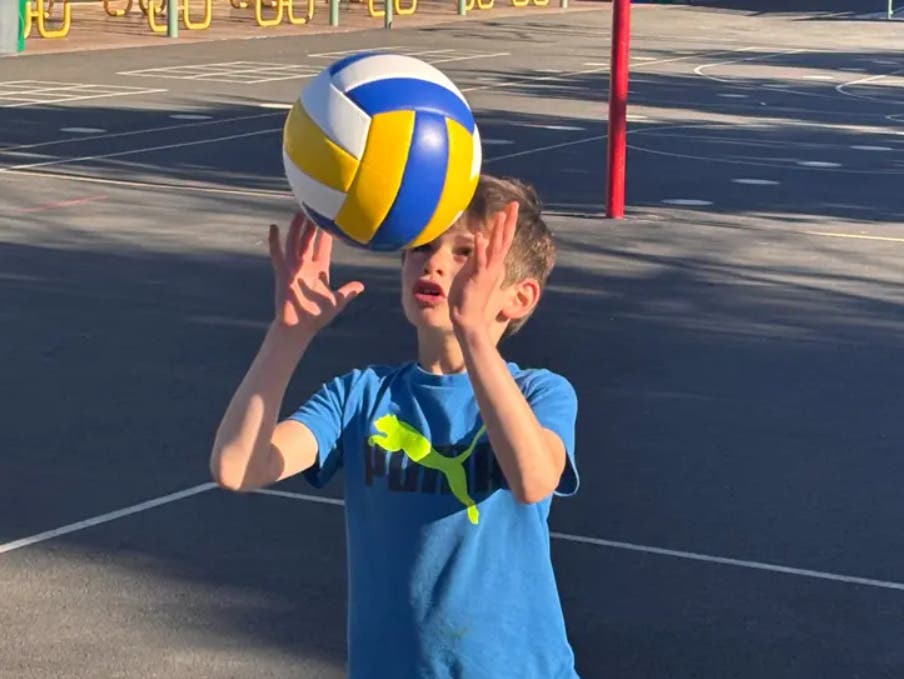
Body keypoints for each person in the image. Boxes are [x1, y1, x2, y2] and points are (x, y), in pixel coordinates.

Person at [210, 174, 581, 679]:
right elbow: (237, 467)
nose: (433, 262)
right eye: (421, 248)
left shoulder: (542, 393)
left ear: (518, 297)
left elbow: (534, 478)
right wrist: (288, 335)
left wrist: (472, 332)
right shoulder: (360, 396)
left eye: (464, 254)